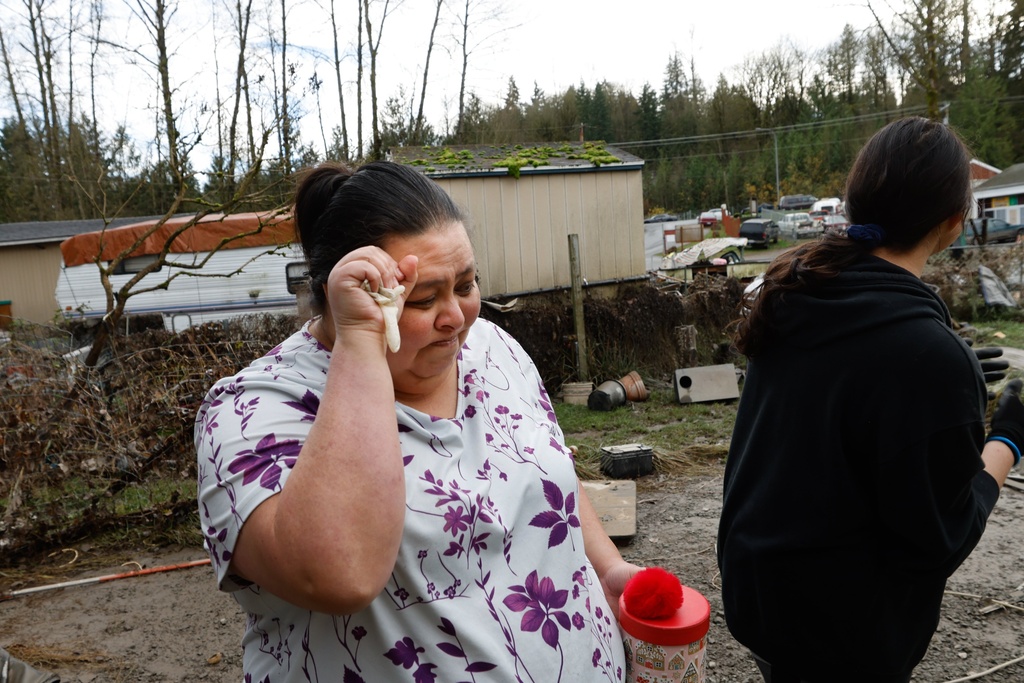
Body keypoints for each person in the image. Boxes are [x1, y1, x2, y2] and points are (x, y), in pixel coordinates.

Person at [195, 160, 638, 682]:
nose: (456, 316)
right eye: (424, 298)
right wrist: (360, 342)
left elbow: (549, 474)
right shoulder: (252, 411)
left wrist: (607, 570)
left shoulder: (494, 350)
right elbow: (339, 576)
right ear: (345, 297)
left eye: (467, 284)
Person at [717, 116, 1024, 683]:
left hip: (761, 603)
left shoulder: (799, 294)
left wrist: (942, 382)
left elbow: (835, 408)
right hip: (842, 639)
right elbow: (941, 537)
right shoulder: (925, 353)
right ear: (954, 222)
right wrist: (1007, 436)